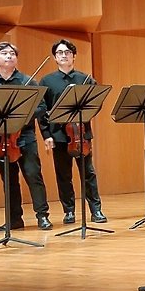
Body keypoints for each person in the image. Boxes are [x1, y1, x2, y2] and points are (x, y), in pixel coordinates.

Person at [0, 42, 51, 231]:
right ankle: (14, 219)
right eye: (4, 53)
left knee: (33, 176)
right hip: (0, 139)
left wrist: (23, 113)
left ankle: (42, 216)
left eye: (12, 53)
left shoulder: (28, 81)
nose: (9, 56)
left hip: (25, 136)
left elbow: (42, 107)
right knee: (8, 180)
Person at [38, 40, 106, 225]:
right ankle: (69, 211)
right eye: (60, 52)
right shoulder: (46, 81)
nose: (64, 55)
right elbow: (41, 111)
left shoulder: (86, 79)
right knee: (63, 175)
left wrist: (85, 115)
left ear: (74, 56)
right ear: (55, 57)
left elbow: (96, 104)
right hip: (59, 135)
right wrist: (46, 135)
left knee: (88, 173)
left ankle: (96, 210)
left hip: (81, 134)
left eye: (67, 52)